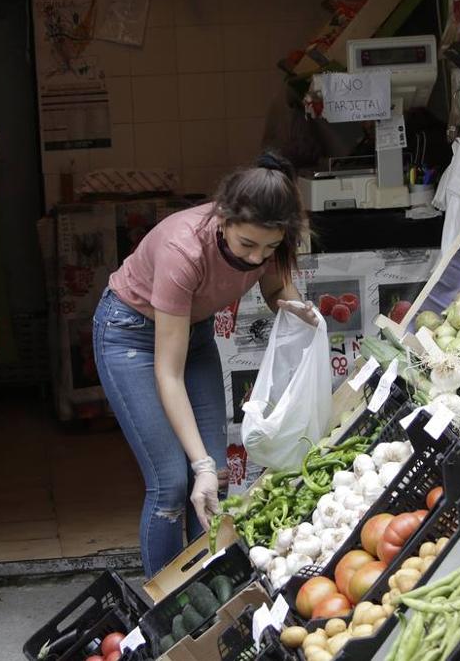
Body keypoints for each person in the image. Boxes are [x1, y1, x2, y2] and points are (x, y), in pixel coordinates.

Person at [94, 153, 315, 576]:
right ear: (223, 218)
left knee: (215, 482)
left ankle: (205, 596)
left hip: (192, 334)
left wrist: (296, 311)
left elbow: (274, 290)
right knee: (173, 482)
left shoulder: (272, 240)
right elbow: (168, 373)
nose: (256, 258)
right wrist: (200, 464)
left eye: (267, 248)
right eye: (247, 244)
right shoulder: (184, 248)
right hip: (131, 336)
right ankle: (162, 608)